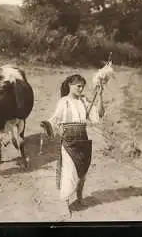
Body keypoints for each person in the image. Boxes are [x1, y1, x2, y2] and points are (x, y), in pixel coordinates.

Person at [40, 74, 105, 217]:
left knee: (83, 171)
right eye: (78, 86)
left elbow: (99, 114)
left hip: (83, 138)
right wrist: (47, 124)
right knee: (69, 173)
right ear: (70, 85)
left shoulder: (84, 101)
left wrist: (100, 96)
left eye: (82, 86)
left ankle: (80, 197)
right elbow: (55, 118)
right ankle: (65, 203)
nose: (81, 89)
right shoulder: (64, 102)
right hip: (69, 140)